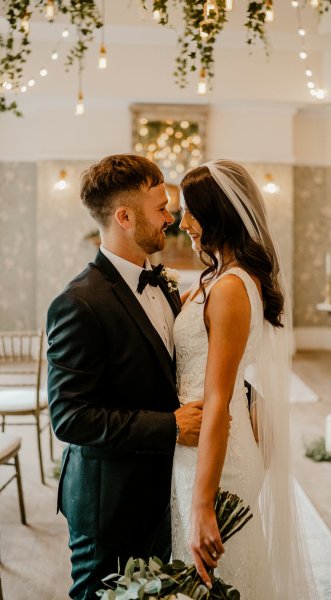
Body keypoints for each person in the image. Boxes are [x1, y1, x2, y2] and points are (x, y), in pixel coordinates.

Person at [46, 154, 203, 600]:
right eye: (161, 208)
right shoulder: (78, 304)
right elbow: (71, 417)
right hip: (109, 504)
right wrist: (172, 427)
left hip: (161, 490)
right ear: (125, 216)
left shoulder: (164, 284)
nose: (171, 219)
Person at [171, 159, 315, 599]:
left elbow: (218, 399)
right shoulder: (216, 277)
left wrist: (202, 503)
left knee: (223, 577)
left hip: (220, 457)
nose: (183, 223)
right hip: (198, 446)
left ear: (218, 214)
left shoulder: (231, 288)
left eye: (191, 212)